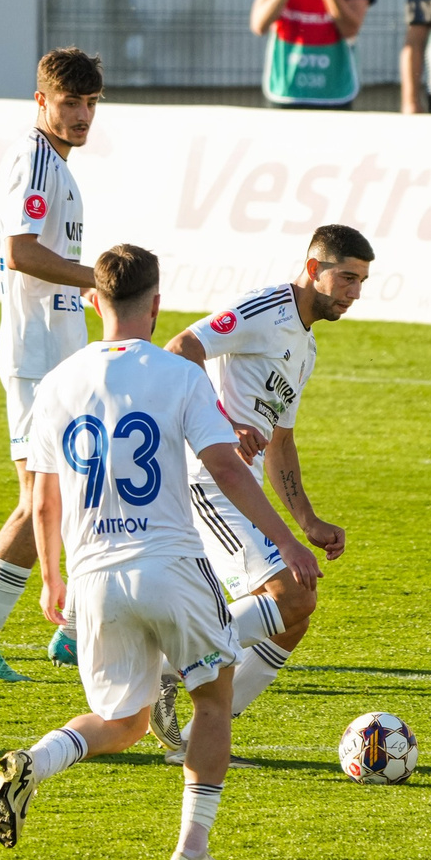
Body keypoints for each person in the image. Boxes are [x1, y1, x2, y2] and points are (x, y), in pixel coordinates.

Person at [0, 243, 308, 860]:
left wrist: (53, 580)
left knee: (123, 720)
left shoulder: (58, 383)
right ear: (156, 305)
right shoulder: (178, 374)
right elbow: (225, 469)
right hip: (171, 564)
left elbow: (44, 499)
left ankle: (37, 759)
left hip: (93, 575)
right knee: (212, 702)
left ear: (94, 300)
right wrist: (289, 540)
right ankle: (193, 850)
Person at [146, 228, 368, 750]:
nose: (354, 292)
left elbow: (282, 441)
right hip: (207, 476)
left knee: (295, 616)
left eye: (361, 282)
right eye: (346, 277)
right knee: (290, 595)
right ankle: (167, 674)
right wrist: (221, 422)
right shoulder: (267, 308)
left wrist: (308, 521)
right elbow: (181, 348)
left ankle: (203, 740)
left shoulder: (305, 348)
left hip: (242, 485)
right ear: (314, 269)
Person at [0, 47, 103, 683]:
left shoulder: (58, 164)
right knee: (41, 495)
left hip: (59, 354)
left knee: (72, 492)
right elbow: (19, 252)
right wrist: (99, 278)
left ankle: (71, 632)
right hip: (36, 357)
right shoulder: (36, 160)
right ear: (41, 101)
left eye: (91, 104)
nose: (82, 116)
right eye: (70, 104)